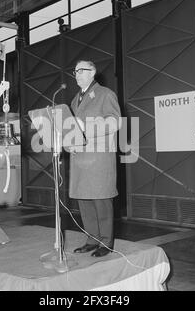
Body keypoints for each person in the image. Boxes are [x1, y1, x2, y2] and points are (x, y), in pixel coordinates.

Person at [69, 60, 121, 257]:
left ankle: (106, 243)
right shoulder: (75, 99)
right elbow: (72, 128)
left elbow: (114, 122)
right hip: (81, 158)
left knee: (101, 202)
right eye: (75, 71)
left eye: (81, 70)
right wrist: (70, 144)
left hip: (99, 157)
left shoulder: (105, 94)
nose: (77, 74)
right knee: (85, 201)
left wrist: (86, 128)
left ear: (93, 72)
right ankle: (92, 240)